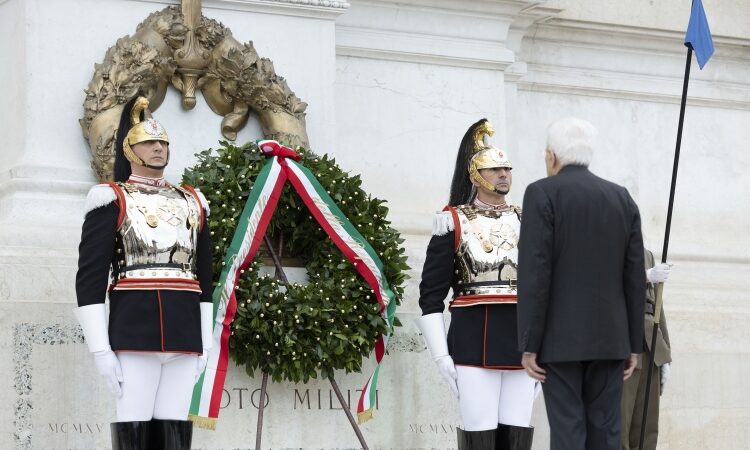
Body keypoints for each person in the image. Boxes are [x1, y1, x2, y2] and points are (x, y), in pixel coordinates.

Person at [73, 95, 213, 449]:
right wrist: (100, 350)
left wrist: (205, 343)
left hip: (184, 333)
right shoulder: (110, 198)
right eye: (149, 142)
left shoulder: (192, 201)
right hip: (135, 330)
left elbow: (205, 277)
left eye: (163, 142)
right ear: (129, 149)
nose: (158, 148)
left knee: (175, 429)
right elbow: (90, 281)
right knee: (133, 426)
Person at [516, 117, 645, 450]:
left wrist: (529, 342)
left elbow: (535, 271)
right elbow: (634, 277)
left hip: (560, 343)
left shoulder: (541, 193)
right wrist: (634, 343)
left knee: (568, 435)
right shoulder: (621, 197)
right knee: (606, 435)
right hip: (611, 340)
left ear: (551, 157)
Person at [417, 119, 537, 450]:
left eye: (507, 169)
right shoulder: (452, 220)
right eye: (494, 169)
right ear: (475, 176)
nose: (503, 175)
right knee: (480, 432)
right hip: (474, 340)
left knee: (517, 434)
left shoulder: (529, 218)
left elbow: (546, 288)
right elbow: (430, 296)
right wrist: (442, 355)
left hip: (523, 342)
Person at [620, 250, 672, 450]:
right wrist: (646, 275)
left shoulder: (646, 254)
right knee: (618, 429)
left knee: (645, 432)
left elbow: (656, 305)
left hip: (650, 346)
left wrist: (665, 353)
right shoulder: (603, 241)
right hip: (621, 342)